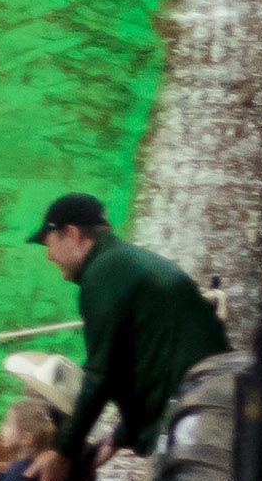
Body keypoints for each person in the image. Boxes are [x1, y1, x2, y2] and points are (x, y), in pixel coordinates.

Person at [32, 190, 227, 457]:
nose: (49, 256)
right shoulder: (124, 263)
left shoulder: (102, 275)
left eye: (49, 242)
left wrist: (63, 452)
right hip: (207, 406)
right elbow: (141, 363)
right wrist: (119, 437)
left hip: (193, 418)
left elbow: (101, 374)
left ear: (73, 234)